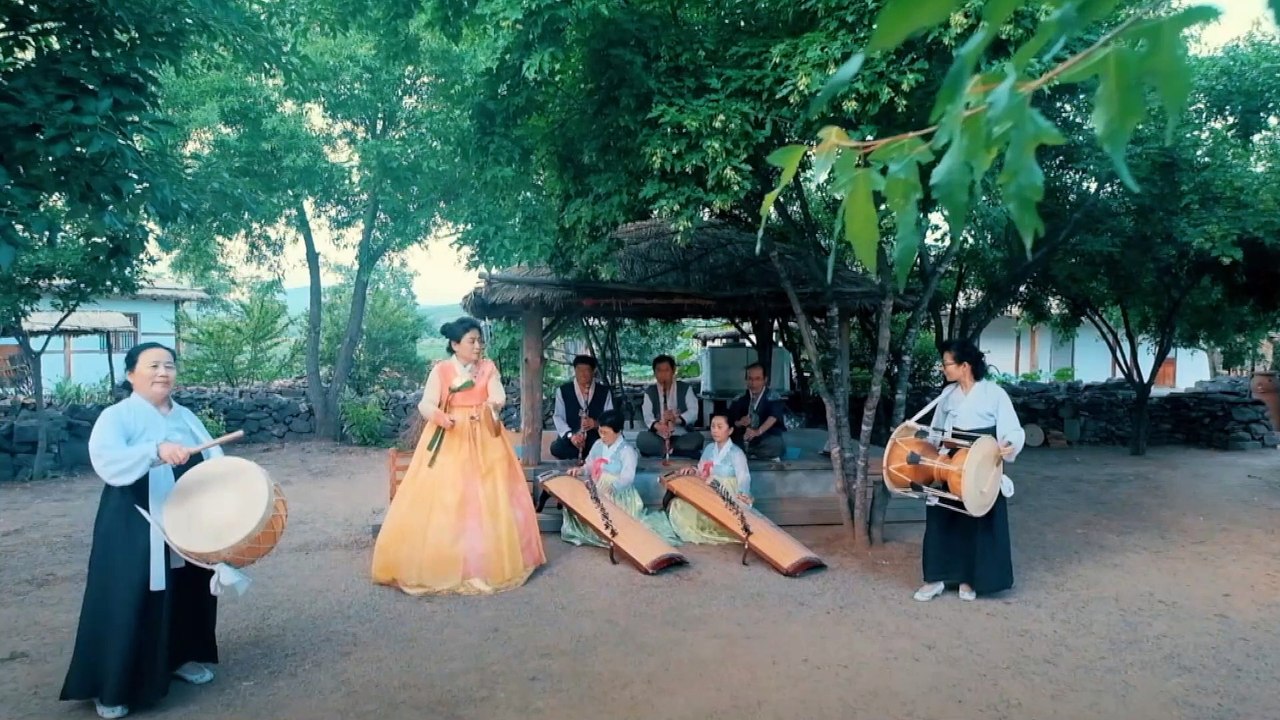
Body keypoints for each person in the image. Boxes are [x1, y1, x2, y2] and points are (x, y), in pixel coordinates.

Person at [60, 343, 224, 719]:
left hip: (186, 516)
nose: (163, 372)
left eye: (169, 365)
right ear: (131, 373)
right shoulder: (117, 417)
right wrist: (155, 449)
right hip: (133, 521)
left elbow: (213, 458)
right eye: (153, 365)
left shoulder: (185, 416)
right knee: (128, 594)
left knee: (188, 587)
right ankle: (113, 684)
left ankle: (179, 657)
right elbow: (106, 460)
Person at [372, 317, 546, 596]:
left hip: (484, 436)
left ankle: (486, 560)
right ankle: (446, 560)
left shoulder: (488, 368)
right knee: (449, 497)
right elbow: (426, 403)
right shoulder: (441, 371)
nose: (478, 346)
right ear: (455, 345)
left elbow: (498, 395)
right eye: (472, 341)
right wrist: (439, 416)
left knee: (489, 495)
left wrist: (492, 404)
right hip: (450, 436)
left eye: (480, 341)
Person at [914, 338, 1024, 603]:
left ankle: (969, 579)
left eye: (947, 364)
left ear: (965, 366)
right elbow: (937, 431)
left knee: (976, 522)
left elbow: (1013, 430)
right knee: (941, 519)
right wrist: (930, 456)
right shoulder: (947, 396)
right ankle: (935, 579)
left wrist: (1009, 444)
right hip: (950, 461)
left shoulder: (994, 394)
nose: (944, 369)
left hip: (981, 464)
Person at [560, 410, 682, 547]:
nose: (602, 436)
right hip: (598, 486)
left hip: (618, 493)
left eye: (606, 432)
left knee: (608, 517)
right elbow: (589, 464)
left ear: (617, 432)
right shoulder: (598, 445)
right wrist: (580, 470)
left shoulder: (627, 451)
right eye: (600, 431)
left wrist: (612, 488)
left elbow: (627, 478)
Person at [667, 414, 754, 544]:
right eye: (713, 426)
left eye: (720, 427)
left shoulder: (736, 453)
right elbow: (701, 471)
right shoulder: (709, 449)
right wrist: (692, 470)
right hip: (707, 490)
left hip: (726, 494)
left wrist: (743, 495)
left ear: (730, 430)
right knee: (678, 505)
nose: (715, 430)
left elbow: (744, 477)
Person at [636, 354, 704, 460]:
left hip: (681, 435)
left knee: (697, 438)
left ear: (673, 371)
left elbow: (693, 412)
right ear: (655, 373)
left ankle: (665, 450)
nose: (663, 374)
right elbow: (648, 417)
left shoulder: (685, 388)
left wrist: (676, 419)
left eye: (666, 370)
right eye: (659, 370)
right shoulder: (650, 392)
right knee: (642, 439)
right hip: (658, 437)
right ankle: (676, 451)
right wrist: (659, 426)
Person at [549, 355, 614, 461]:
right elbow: (558, 417)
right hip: (572, 435)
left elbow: (611, 418)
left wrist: (596, 424)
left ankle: (590, 454)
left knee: (603, 445)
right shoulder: (563, 391)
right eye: (579, 370)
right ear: (575, 370)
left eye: (587, 370)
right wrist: (572, 436)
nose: (583, 374)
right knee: (557, 448)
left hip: (596, 436)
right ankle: (586, 454)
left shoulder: (604, 392)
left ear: (594, 371)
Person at [727, 362, 787, 460]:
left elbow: (773, 417)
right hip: (743, 438)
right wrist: (739, 422)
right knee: (727, 440)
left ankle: (746, 453)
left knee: (777, 444)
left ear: (765, 380)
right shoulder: (740, 398)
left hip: (765, 437)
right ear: (746, 380)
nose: (753, 383)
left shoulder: (773, 396)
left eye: (757, 379)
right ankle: (749, 453)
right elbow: (730, 420)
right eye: (750, 379)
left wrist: (758, 432)